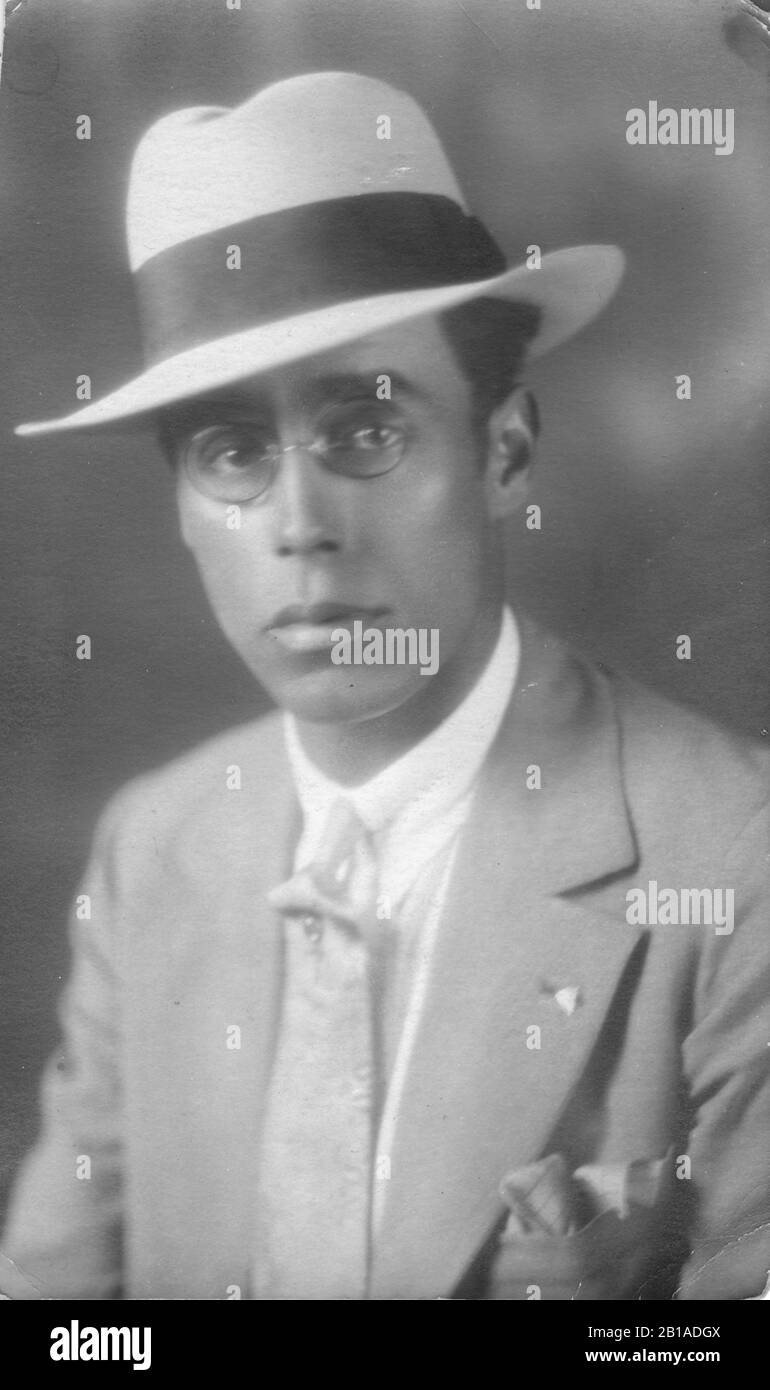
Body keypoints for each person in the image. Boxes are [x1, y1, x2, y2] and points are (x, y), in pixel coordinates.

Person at [2, 70, 768, 1302]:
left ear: (503, 450)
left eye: (365, 429)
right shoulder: (153, 844)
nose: (299, 526)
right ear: (185, 511)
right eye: (232, 451)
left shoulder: (734, 860)